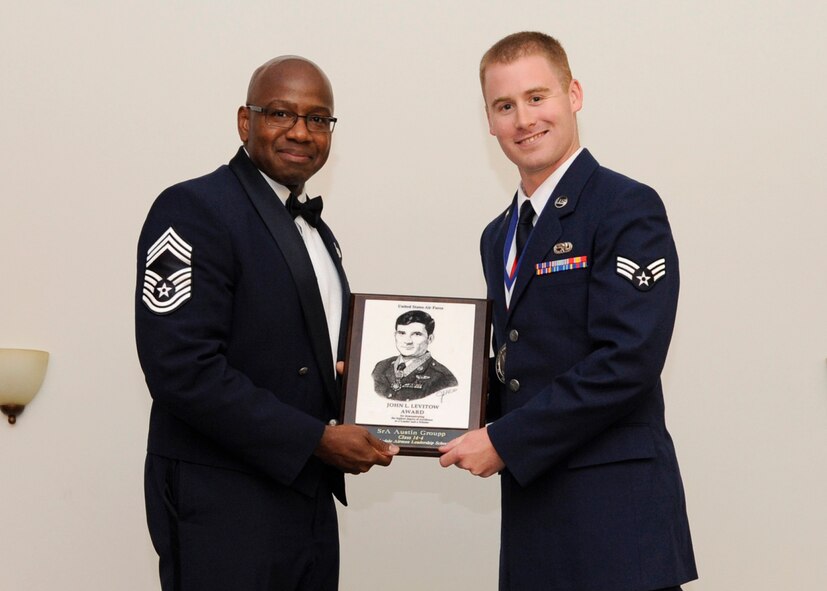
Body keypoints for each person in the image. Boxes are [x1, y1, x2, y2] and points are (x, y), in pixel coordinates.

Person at [439, 32, 697, 591]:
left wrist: (505, 441)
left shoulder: (625, 206)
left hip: (617, 520)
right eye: (504, 106)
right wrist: (413, 398)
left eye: (537, 97)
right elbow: (521, 364)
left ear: (573, 94)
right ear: (489, 122)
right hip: (535, 514)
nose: (524, 119)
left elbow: (627, 360)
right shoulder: (497, 235)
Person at [135, 55, 398, 591]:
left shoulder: (316, 232)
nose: (301, 131)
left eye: (318, 118)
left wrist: (373, 393)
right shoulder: (193, 209)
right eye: (281, 113)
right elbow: (181, 369)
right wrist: (316, 439)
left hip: (305, 496)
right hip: (223, 500)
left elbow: (304, 358)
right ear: (245, 121)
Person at [371, 310, 458, 400]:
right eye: (402, 333)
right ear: (395, 335)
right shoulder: (381, 367)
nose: (407, 341)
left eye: (416, 334)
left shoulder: (443, 378)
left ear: (430, 339)